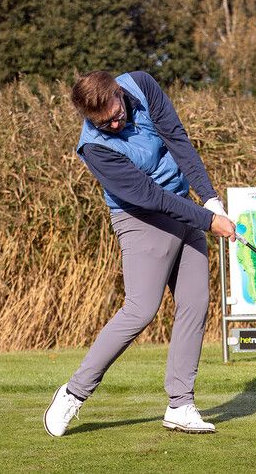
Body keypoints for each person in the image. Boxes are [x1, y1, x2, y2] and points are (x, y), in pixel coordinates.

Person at [43, 70, 236, 436]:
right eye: (104, 123)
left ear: (117, 92)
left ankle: (180, 404)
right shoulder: (95, 147)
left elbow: (177, 139)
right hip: (140, 218)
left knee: (195, 302)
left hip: (184, 206)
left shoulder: (141, 86)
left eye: (116, 115)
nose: (115, 124)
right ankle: (73, 393)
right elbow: (150, 197)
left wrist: (211, 199)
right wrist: (209, 220)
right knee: (140, 309)